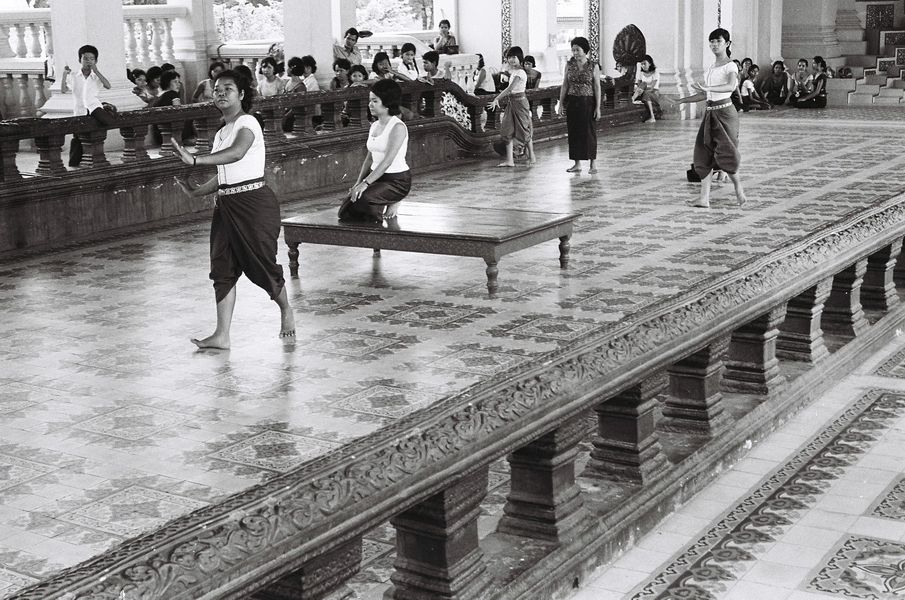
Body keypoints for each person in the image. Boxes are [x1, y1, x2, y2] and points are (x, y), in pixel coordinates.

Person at [171, 69, 295, 349]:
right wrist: (196, 191)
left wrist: (195, 160)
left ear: (241, 94)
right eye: (216, 90)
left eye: (228, 89)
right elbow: (225, 174)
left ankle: (286, 309)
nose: (221, 93)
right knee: (222, 267)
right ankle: (222, 335)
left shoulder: (248, 122)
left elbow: (237, 153)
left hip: (254, 204)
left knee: (261, 264)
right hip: (226, 205)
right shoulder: (221, 132)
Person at [669, 28, 746, 208]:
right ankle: (704, 199)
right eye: (711, 41)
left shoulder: (731, 66)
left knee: (727, 153)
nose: (714, 45)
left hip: (726, 114)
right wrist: (682, 100)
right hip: (711, 113)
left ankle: (739, 189)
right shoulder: (712, 67)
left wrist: (709, 89)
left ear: (727, 44)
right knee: (702, 154)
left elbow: (730, 86)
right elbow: (706, 95)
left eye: (718, 41)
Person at [338, 79, 411, 222]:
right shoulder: (374, 125)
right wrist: (358, 183)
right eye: (370, 100)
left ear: (387, 102)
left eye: (375, 101)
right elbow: (369, 159)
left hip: (396, 181)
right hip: (376, 178)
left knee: (364, 199)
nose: (370, 105)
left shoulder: (398, 127)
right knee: (346, 210)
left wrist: (365, 184)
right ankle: (381, 203)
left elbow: (387, 161)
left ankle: (393, 202)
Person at [557, 36, 600, 173]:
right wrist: (561, 103)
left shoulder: (593, 66)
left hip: (588, 102)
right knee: (574, 132)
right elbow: (565, 84)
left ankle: (593, 164)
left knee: (589, 133)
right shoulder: (569, 65)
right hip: (572, 102)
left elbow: (597, 87)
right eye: (573, 50)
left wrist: (598, 107)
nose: (575, 53)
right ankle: (577, 164)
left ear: (585, 50)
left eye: (578, 50)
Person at [68, 44, 113, 168]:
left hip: (93, 106)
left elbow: (108, 86)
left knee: (107, 121)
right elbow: (64, 89)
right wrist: (64, 75)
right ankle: (74, 161)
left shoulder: (96, 76)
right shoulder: (73, 75)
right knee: (78, 135)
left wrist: (96, 71)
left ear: (96, 61)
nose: (88, 61)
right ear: (80, 60)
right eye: (85, 59)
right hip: (80, 108)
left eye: (92, 59)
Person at [490, 46, 535, 167]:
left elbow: (510, 88)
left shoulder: (520, 72)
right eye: (509, 57)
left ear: (519, 58)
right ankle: (510, 160)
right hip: (512, 102)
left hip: (520, 103)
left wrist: (496, 99)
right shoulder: (513, 71)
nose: (511, 60)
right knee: (507, 130)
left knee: (523, 130)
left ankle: (532, 155)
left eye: (514, 57)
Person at [632, 54, 660, 123]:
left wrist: (642, 89)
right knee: (643, 84)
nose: (643, 66)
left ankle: (652, 117)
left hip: (653, 93)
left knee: (645, 90)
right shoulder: (641, 73)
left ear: (650, 63)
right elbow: (638, 85)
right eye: (641, 64)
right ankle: (633, 98)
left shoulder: (655, 72)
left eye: (644, 64)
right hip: (642, 92)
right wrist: (640, 88)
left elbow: (652, 88)